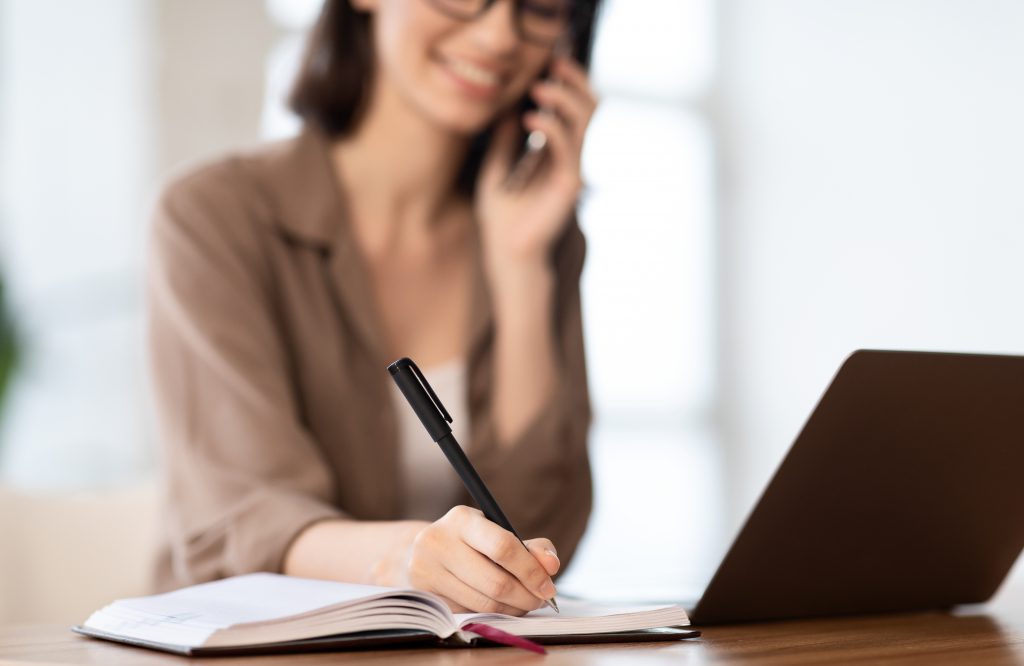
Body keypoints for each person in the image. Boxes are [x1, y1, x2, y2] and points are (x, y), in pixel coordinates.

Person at [148, 0, 601, 617]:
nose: (499, 36)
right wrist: (406, 559)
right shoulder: (215, 217)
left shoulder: (542, 234)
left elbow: (540, 547)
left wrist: (522, 269)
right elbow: (242, 515)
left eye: (542, 7)